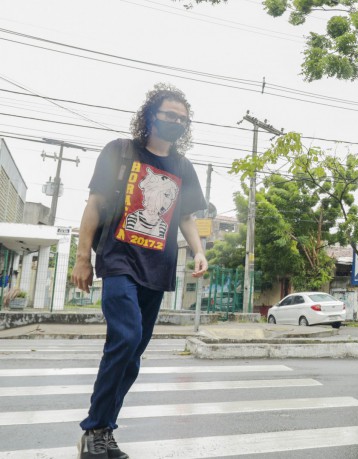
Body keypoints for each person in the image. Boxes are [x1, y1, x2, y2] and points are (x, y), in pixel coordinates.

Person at [71, 84, 208, 459]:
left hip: (157, 269)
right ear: (151, 115)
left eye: (183, 119)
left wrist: (199, 252)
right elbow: (95, 204)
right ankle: (94, 429)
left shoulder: (182, 167)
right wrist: (83, 257)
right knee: (126, 337)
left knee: (133, 355)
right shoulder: (120, 151)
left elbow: (186, 217)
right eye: (169, 115)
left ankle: (104, 430)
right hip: (118, 259)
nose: (176, 122)